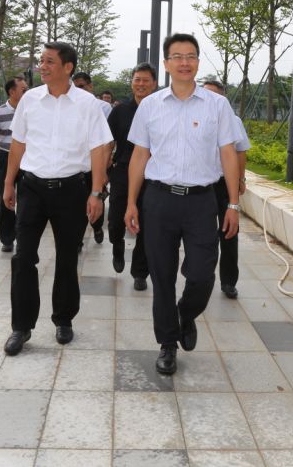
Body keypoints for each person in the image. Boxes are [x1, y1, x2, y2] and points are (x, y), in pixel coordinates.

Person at [125, 33, 241, 375]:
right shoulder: (150, 106)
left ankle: (186, 312)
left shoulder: (217, 106)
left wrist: (232, 204)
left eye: (190, 56)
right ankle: (167, 344)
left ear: (198, 62)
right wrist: (131, 202)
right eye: (177, 56)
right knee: (161, 276)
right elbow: (139, 156)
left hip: (201, 202)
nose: (184, 62)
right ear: (166, 64)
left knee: (203, 273)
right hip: (158, 200)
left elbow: (228, 154)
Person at [2, 42, 112, 356]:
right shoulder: (30, 100)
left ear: (68, 67)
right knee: (24, 258)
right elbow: (18, 144)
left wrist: (96, 192)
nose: (42, 66)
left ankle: (63, 319)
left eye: (49, 61)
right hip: (32, 188)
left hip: (72, 189)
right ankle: (21, 327)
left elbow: (99, 148)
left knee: (67, 256)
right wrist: (9, 184)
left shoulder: (87, 103)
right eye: (41, 61)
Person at [107, 63, 158, 290]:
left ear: (154, 83)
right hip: (122, 172)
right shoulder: (119, 111)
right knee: (116, 219)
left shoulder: (161, 109)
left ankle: (140, 272)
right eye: (137, 80)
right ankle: (116, 244)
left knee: (148, 225)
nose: (141, 84)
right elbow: (107, 142)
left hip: (153, 175)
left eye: (146, 80)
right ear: (132, 83)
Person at [202, 80, 250, 299]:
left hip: (223, 183)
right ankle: (201, 276)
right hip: (201, 184)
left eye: (213, 94)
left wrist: (239, 179)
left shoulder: (233, 120)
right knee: (201, 233)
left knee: (229, 231)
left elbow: (240, 152)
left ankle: (229, 280)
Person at [0, 76, 28, 253]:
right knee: (6, 198)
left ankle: (23, 236)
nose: (27, 92)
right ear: (12, 92)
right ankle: (7, 239)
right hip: (5, 158)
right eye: (24, 89)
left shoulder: (30, 110)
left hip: (26, 160)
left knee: (26, 200)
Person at [72, 71, 113, 245]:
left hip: (97, 163)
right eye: (75, 87)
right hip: (76, 165)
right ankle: (78, 238)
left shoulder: (104, 107)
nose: (78, 90)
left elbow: (109, 139)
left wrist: (104, 166)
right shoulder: (70, 105)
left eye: (81, 86)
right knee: (77, 203)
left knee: (97, 196)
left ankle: (96, 226)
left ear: (90, 86)